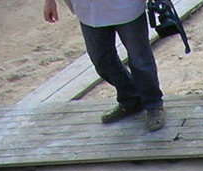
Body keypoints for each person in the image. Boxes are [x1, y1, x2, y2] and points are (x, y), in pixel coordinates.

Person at [43, 0, 167, 131]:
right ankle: (130, 98)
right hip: (88, 10)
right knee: (101, 58)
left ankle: (153, 104)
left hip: (126, 7)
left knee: (139, 60)